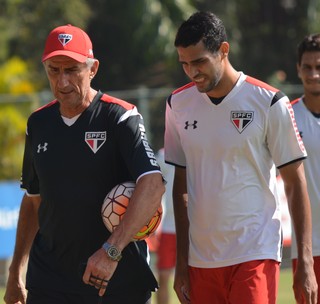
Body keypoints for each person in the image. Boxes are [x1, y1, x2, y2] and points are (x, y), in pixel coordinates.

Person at [4, 24, 165, 304]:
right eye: (54, 70)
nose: (62, 82)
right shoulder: (38, 124)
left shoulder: (120, 118)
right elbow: (33, 200)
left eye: (72, 70)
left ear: (93, 69)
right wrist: (16, 268)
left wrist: (110, 252)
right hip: (50, 280)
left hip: (114, 280)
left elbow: (152, 183)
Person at [164, 11, 317, 304]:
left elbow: (296, 184)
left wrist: (305, 262)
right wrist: (182, 261)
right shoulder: (177, 104)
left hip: (254, 252)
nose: (192, 72)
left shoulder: (269, 102)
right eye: (184, 64)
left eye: (199, 62)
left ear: (223, 50)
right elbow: (180, 186)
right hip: (201, 259)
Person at [291, 33, 320, 304]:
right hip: (308, 248)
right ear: (298, 69)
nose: (314, 74)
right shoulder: (286, 117)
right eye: (308, 67)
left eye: (319, 67)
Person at [155, 148, 177, 304]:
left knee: (196, 279)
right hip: (168, 227)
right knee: (163, 277)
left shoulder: (201, 148)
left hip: (195, 229)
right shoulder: (164, 155)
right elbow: (154, 187)